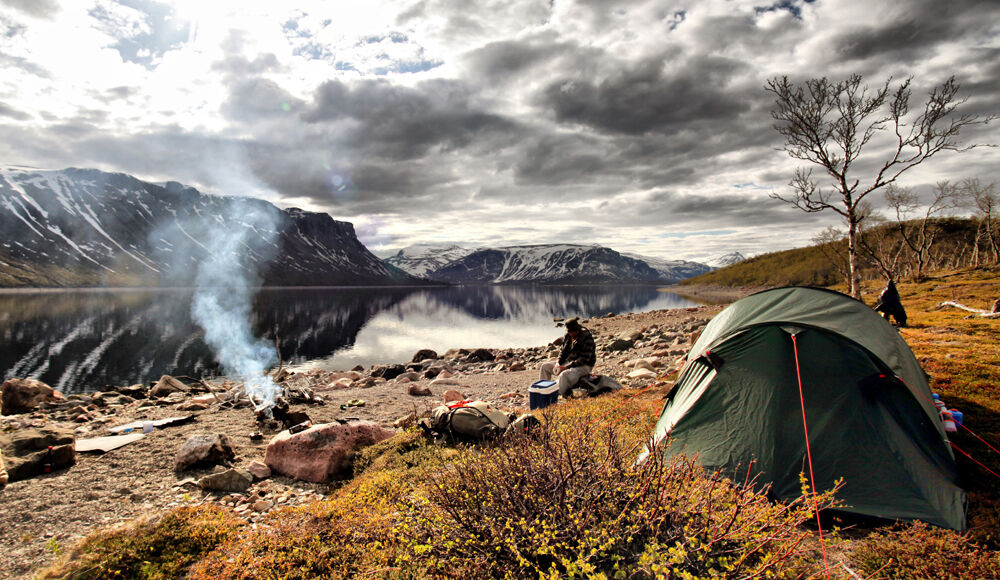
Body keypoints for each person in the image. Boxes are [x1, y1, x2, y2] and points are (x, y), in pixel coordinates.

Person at [538, 318, 597, 395]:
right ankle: (543, 390)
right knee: (545, 367)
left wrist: (565, 367)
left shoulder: (586, 339)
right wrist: (558, 363)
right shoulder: (568, 336)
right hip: (569, 362)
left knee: (564, 375)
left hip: (584, 366)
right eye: (569, 331)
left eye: (572, 331)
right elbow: (563, 352)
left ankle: (556, 394)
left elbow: (584, 359)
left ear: (577, 330)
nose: (571, 334)